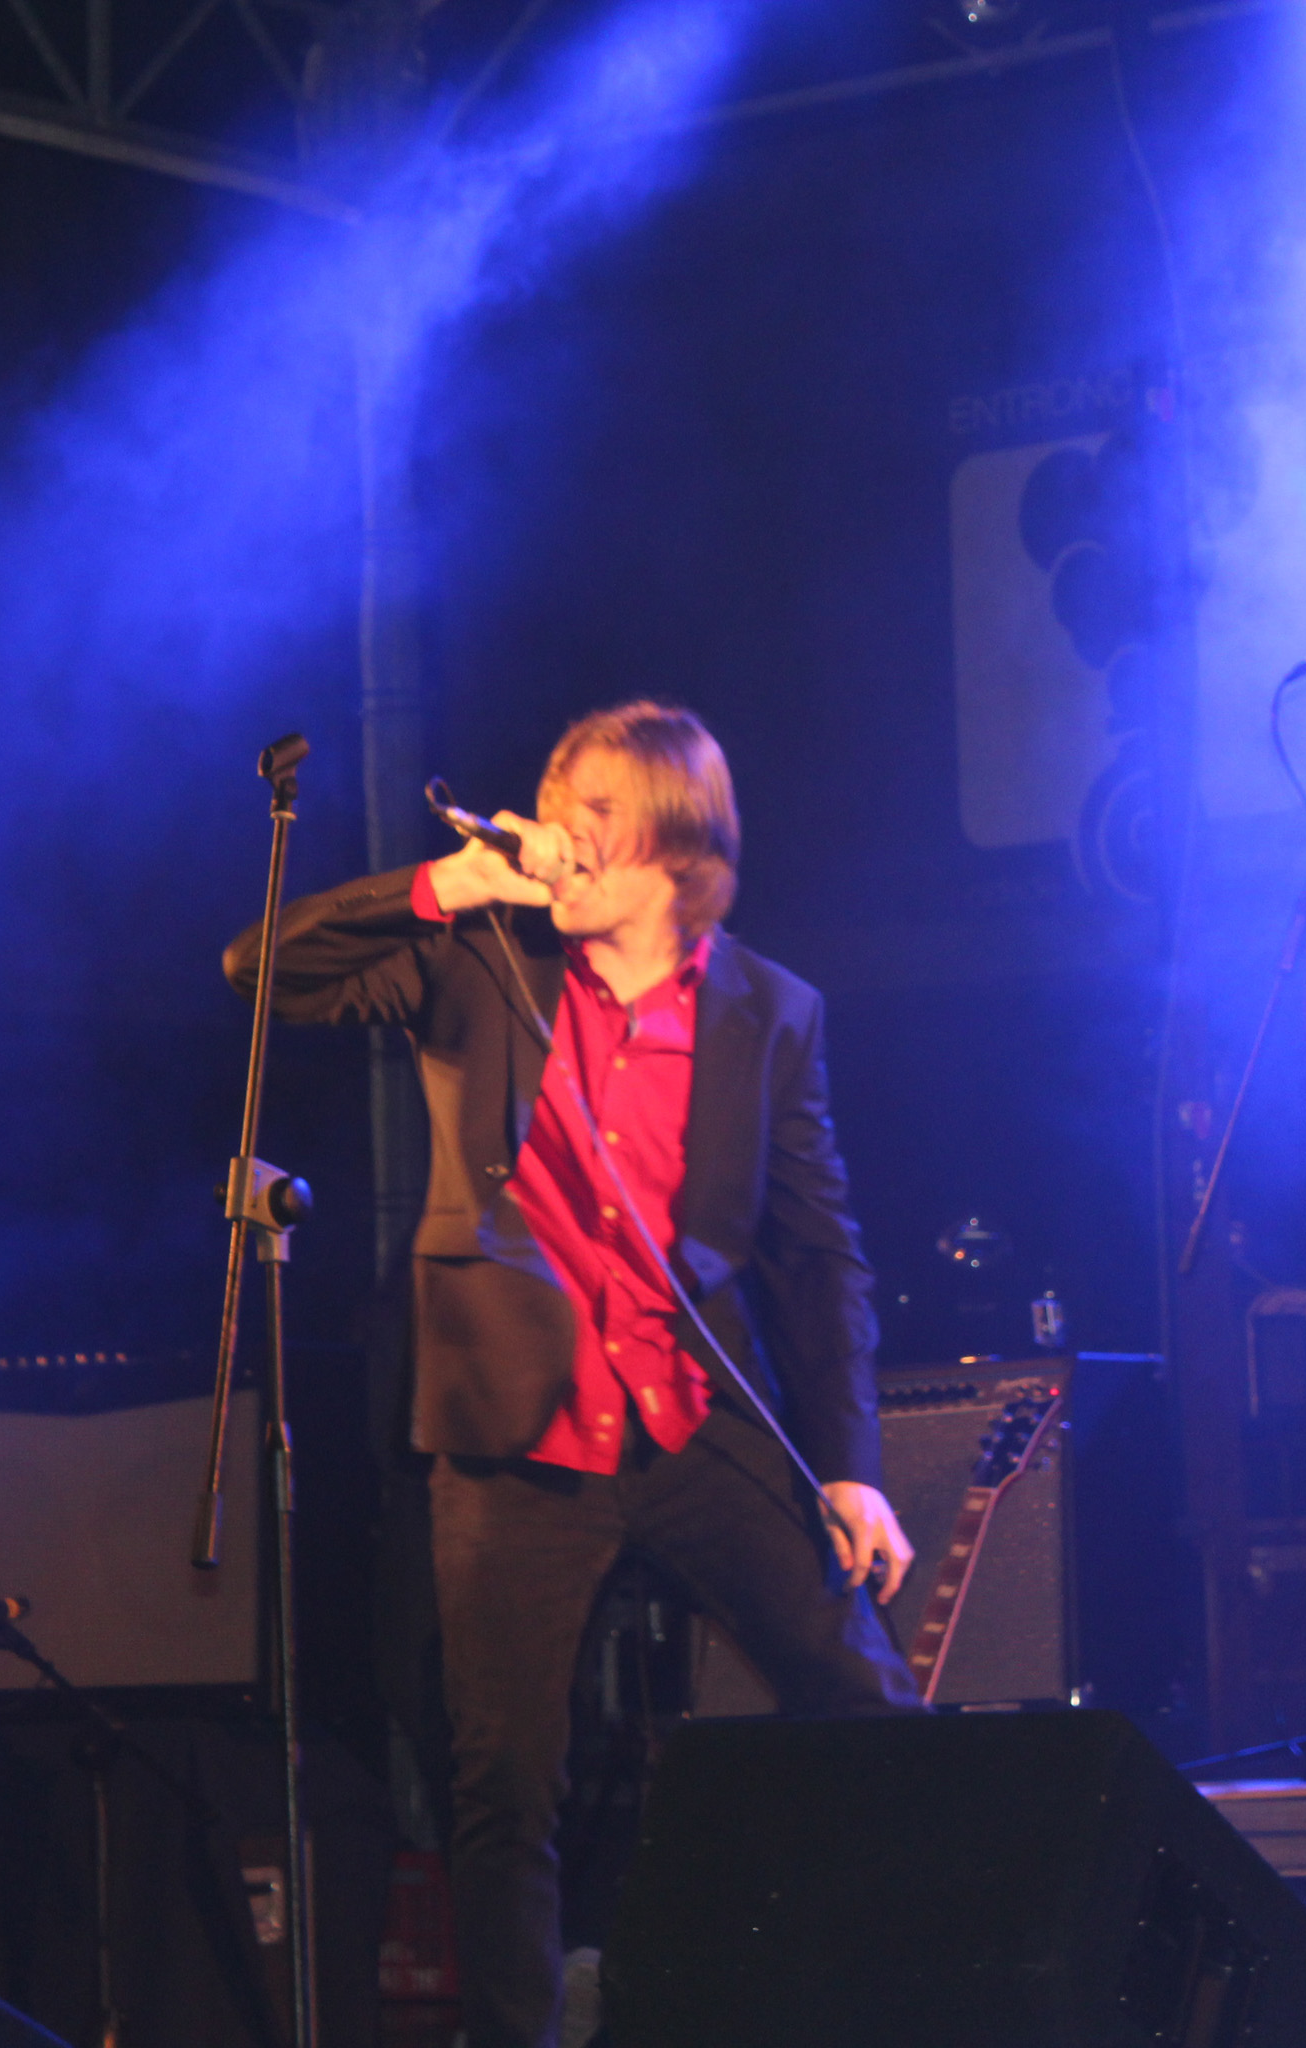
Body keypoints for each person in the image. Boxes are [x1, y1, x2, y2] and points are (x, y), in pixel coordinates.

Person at [227, 702, 921, 2048]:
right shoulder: (480, 957)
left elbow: (817, 1253)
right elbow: (261, 969)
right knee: (503, 1785)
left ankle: (916, 2004)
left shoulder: (771, 1013)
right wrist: (448, 884)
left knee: (870, 1702)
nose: (562, 833)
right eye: (557, 803)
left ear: (677, 844)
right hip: (515, 1431)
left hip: (691, 1414)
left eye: (597, 811)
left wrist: (852, 1468)